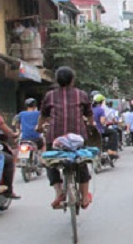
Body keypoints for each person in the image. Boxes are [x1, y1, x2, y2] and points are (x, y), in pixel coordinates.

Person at [37, 66, 94, 209]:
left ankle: (58, 191)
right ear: (72, 80)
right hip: (78, 137)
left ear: (56, 80)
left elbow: (43, 114)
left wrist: (39, 127)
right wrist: (91, 127)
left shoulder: (50, 95)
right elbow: (89, 114)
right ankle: (85, 196)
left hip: (56, 138)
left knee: (50, 161)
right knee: (81, 161)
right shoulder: (81, 94)